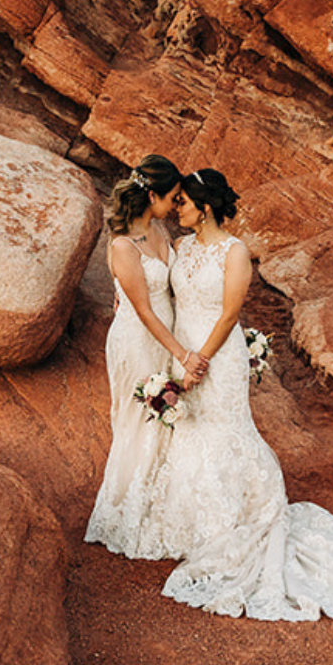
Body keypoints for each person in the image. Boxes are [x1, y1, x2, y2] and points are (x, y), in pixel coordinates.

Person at [151, 167, 333, 620]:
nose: (178, 208)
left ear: (206, 207)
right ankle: (192, 522)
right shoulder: (181, 246)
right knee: (191, 434)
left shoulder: (235, 253)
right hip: (183, 347)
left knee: (227, 429)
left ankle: (241, 519)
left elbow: (231, 312)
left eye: (185, 202)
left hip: (217, 355)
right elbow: (167, 293)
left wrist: (201, 360)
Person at [84, 154, 208, 559]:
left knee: (168, 419)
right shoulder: (122, 245)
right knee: (141, 418)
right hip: (138, 340)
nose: (176, 205)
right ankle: (128, 513)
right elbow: (143, 310)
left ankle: (167, 505)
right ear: (151, 194)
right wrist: (183, 354)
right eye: (172, 197)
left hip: (165, 335)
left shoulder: (158, 229)